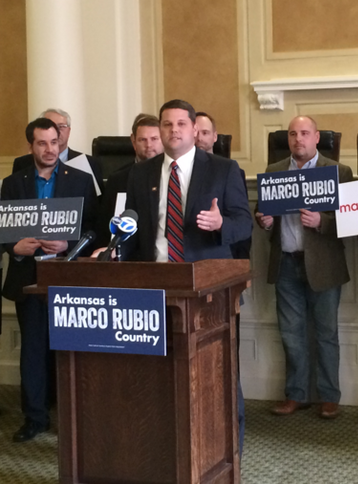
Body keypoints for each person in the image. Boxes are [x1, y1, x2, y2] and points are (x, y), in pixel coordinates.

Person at [121, 99, 252, 453]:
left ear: (194, 129)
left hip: (208, 286)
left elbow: (244, 223)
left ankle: (228, 449)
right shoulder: (141, 173)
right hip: (156, 285)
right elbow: (133, 230)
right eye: (167, 124)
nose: (173, 130)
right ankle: (165, 446)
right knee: (159, 372)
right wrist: (112, 251)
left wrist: (221, 223)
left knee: (218, 371)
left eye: (181, 124)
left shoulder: (224, 169)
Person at [2, 118, 97, 442]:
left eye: (54, 142)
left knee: (72, 351)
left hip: (68, 277)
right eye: (42, 143)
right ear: (30, 146)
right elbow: (2, 231)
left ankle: (76, 419)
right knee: (33, 351)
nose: (49, 149)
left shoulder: (81, 180)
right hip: (29, 277)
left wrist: (69, 245)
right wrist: (14, 247)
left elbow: (94, 229)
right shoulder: (14, 183)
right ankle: (35, 418)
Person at [255, 116, 352, 419]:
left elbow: (352, 220)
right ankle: (296, 394)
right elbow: (265, 215)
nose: (299, 139)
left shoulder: (337, 172)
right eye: (293, 134)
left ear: (317, 137)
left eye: (305, 133)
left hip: (323, 266)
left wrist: (322, 221)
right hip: (285, 263)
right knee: (291, 334)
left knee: (326, 333)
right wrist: (265, 221)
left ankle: (328, 396)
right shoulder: (274, 172)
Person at [98, 114, 162, 243]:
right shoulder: (117, 179)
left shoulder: (173, 176)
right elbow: (104, 226)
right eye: (142, 140)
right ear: (133, 142)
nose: (149, 145)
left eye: (154, 139)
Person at [12, 108, 104, 192]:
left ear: (69, 131)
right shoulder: (21, 163)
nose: (57, 131)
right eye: (50, 125)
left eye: (61, 126)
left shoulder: (91, 163)